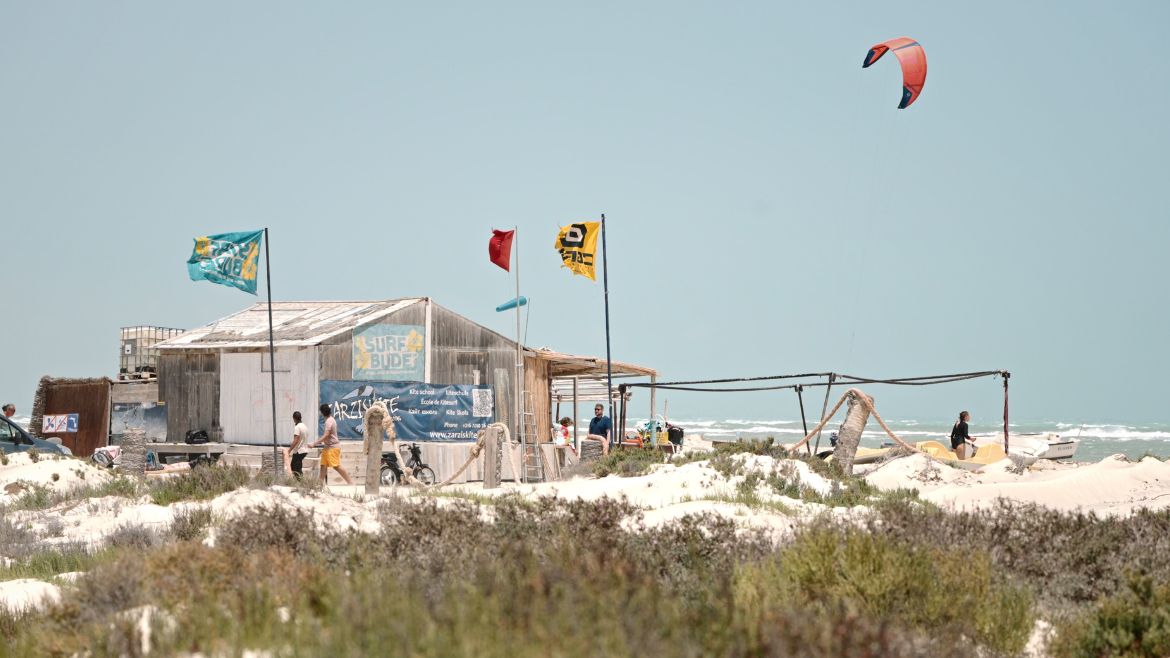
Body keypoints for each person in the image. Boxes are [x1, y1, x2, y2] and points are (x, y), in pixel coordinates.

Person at [310, 404, 353, 485]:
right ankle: (319, 485)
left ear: (322, 413)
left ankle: (350, 483)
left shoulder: (329, 421)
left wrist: (314, 444)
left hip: (333, 447)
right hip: (327, 447)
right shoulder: (330, 420)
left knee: (336, 466)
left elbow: (326, 434)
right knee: (323, 465)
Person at [284, 411, 310, 480]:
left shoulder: (297, 427)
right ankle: (299, 481)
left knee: (295, 468)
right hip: (304, 450)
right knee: (297, 466)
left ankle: (299, 482)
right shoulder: (305, 426)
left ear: (294, 418)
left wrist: (289, 450)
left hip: (299, 451)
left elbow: (296, 440)